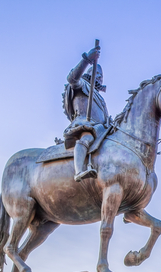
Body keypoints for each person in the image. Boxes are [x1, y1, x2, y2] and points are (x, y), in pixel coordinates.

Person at [62, 44, 110, 181]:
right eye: (98, 75)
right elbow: (72, 79)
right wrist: (87, 60)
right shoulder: (82, 84)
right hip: (84, 124)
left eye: (101, 77)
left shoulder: (100, 98)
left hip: (100, 130)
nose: (100, 78)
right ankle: (78, 171)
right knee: (87, 137)